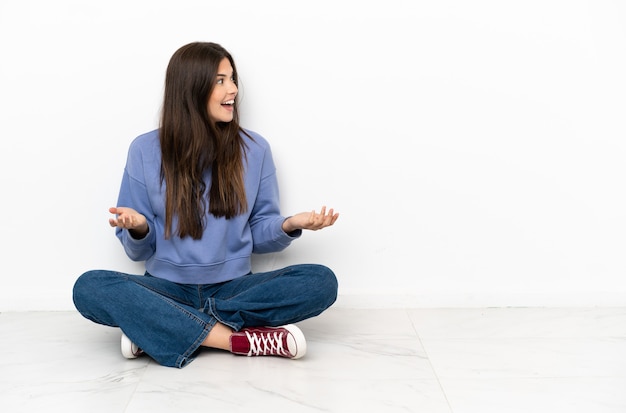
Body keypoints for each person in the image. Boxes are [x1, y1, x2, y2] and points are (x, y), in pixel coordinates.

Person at [72, 42, 339, 368]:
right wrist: (140, 228)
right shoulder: (144, 150)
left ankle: (160, 328)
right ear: (191, 89)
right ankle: (233, 339)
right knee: (89, 287)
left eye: (232, 79)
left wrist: (290, 224)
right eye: (220, 80)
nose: (234, 90)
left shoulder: (254, 150)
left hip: (234, 289)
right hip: (167, 288)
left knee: (320, 281)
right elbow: (137, 252)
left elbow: (258, 232)